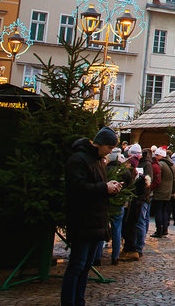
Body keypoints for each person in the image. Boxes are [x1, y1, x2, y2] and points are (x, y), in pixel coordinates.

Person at [62, 127, 120, 306]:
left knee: (86, 265)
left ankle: (79, 301)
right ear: (100, 144)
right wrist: (104, 188)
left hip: (96, 221)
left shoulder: (98, 161)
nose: (110, 151)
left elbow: (96, 186)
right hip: (83, 220)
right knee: (77, 265)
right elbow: (77, 188)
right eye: (109, 147)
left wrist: (110, 187)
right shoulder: (78, 160)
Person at [150, 146, 175, 237]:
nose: (155, 156)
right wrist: (173, 190)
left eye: (157, 154)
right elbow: (174, 178)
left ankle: (159, 230)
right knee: (165, 211)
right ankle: (165, 229)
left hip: (160, 191)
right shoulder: (171, 163)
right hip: (168, 191)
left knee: (159, 211)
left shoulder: (161, 164)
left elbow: (157, 178)